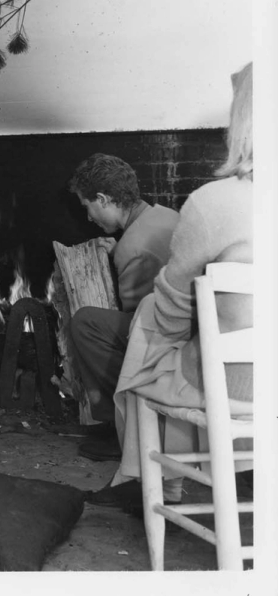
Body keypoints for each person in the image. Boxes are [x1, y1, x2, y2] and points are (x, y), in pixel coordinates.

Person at [91, 62, 253, 508]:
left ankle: (149, 480)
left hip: (238, 388)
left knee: (152, 339)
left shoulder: (214, 204)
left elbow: (170, 314)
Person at [66, 153, 180, 461]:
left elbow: (138, 324)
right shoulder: (165, 215)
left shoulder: (132, 247)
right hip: (190, 326)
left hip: (169, 343)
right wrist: (124, 249)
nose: (88, 217)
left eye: (87, 207)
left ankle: (122, 424)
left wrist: (122, 255)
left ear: (102, 199)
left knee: (85, 323)